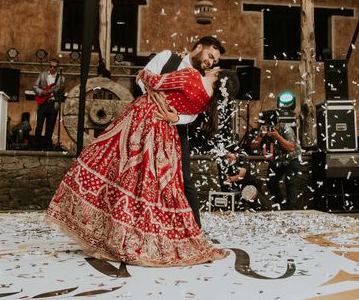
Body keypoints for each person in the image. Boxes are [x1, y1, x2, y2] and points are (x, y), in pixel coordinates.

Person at [46, 66, 239, 267]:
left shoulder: (192, 77)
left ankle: (116, 232)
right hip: (165, 135)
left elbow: (155, 82)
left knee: (110, 162)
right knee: (150, 184)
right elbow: (186, 114)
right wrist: (174, 117)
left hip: (144, 120)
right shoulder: (206, 100)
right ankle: (135, 235)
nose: (214, 66)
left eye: (218, 67)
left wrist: (143, 72)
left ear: (218, 75)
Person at [137, 35, 225, 228]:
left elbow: (195, 114)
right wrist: (151, 93)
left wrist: (175, 118)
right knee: (143, 172)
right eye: (209, 55)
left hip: (178, 130)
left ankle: (195, 229)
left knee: (184, 178)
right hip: (149, 122)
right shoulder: (169, 57)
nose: (210, 62)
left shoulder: (202, 79)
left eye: (214, 61)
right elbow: (144, 75)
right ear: (199, 47)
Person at [251, 110, 301, 210]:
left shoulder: (286, 129)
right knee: (271, 182)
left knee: (290, 182)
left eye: (268, 125)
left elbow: (291, 147)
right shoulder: (263, 131)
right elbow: (253, 146)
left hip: (291, 158)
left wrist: (277, 136)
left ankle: (291, 207)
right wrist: (261, 135)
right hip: (277, 160)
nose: (267, 127)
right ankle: (281, 204)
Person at [33, 58, 65, 150]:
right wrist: (42, 92)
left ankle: (47, 146)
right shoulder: (42, 75)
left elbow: (62, 94)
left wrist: (60, 90)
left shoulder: (61, 78)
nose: (52, 68)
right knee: (39, 125)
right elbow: (34, 86)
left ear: (57, 68)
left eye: (54, 67)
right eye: (50, 66)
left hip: (53, 104)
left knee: (50, 126)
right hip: (43, 103)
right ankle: (36, 146)